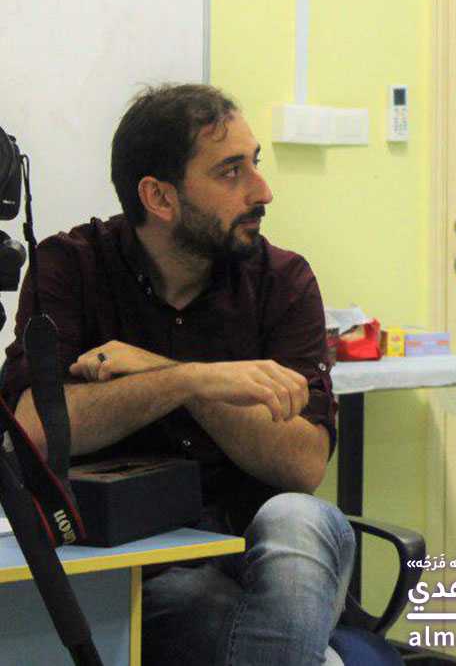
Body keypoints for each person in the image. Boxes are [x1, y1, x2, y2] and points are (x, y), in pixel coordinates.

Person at [2, 84, 354, 665]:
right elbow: (35, 431)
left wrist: (168, 372)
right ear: (160, 197)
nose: (262, 191)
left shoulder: (282, 280)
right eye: (231, 172)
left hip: (259, 547)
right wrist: (189, 383)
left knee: (304, 520)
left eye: (255, 163)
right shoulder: (71, 267)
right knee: (195, 601)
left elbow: (303, 464)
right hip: (138, 563)